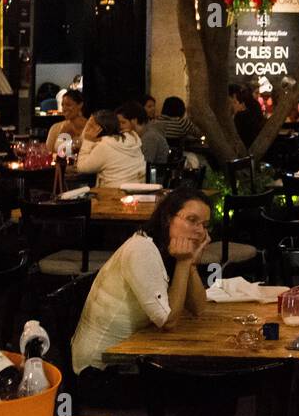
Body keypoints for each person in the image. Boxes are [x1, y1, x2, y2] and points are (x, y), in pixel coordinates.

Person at [71, 190, 211, 378]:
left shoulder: (165, 249)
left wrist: (190, 263)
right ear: (168, 218)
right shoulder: (142, 249)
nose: (200, 231)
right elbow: (168, 321)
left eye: (204, 225)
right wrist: (184, 263)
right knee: (198, 383)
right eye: (192, 220)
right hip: (100, 370)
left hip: (131, 356)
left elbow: (198, 308)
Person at [76, 109, 147, 188]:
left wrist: (88, 141)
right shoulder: (131, 138)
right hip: (140, 189)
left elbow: (82, 167)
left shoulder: (104, 146)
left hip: (114, 192)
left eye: (90, 126)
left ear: (100, 129)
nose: (86, 130)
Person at [117, 100, 170, 167]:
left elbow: (144, 164)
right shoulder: (137, 135)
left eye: (123, 122)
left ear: (134, 121)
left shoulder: (149, 137)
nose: (120, 126)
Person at [45, 89, 87, 155]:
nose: (64, 109)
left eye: (68, 105)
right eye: (62, 105)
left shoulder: (90, 128)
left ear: (80, 105)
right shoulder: (55, 128)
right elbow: (47, 153)